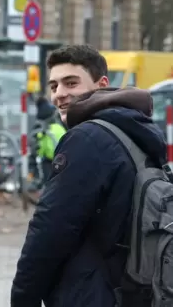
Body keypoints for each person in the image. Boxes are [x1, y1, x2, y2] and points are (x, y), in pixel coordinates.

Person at [10, 45, 166, 307]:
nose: (60, 94)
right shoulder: (134, 134)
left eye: (71, 83)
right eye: (54, 86)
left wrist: (22, 297)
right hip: (132, 290)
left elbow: (50, 228)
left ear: (101, 84)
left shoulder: (87, 139)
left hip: (91, 293)